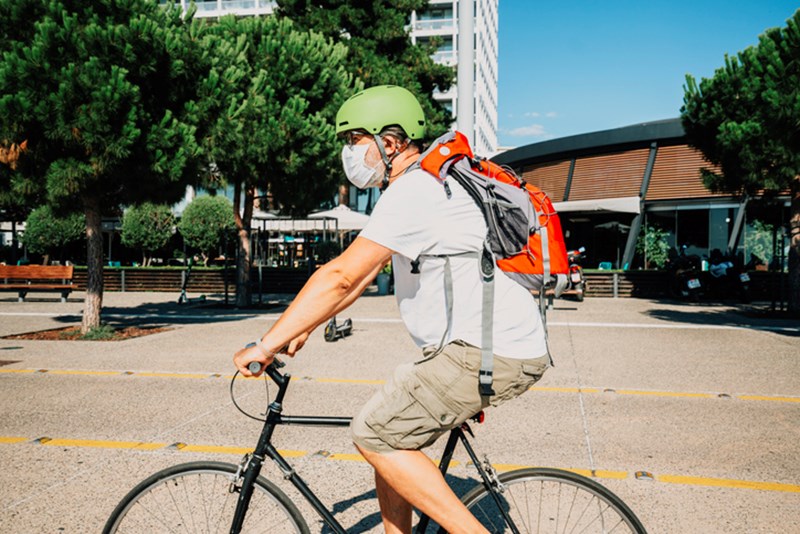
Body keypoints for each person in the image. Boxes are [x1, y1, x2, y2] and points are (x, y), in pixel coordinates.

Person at [233, 85, 550, 534]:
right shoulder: (423, 185)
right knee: (390, 429)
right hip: (480, 346)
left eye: (355, 140)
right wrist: (298, 327)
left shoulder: (417, 190)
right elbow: (361, 277)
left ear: (392, 141)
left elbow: (340, 275)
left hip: (487, 350)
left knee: (375, 433)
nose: (349, 152)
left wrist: (265, 344)